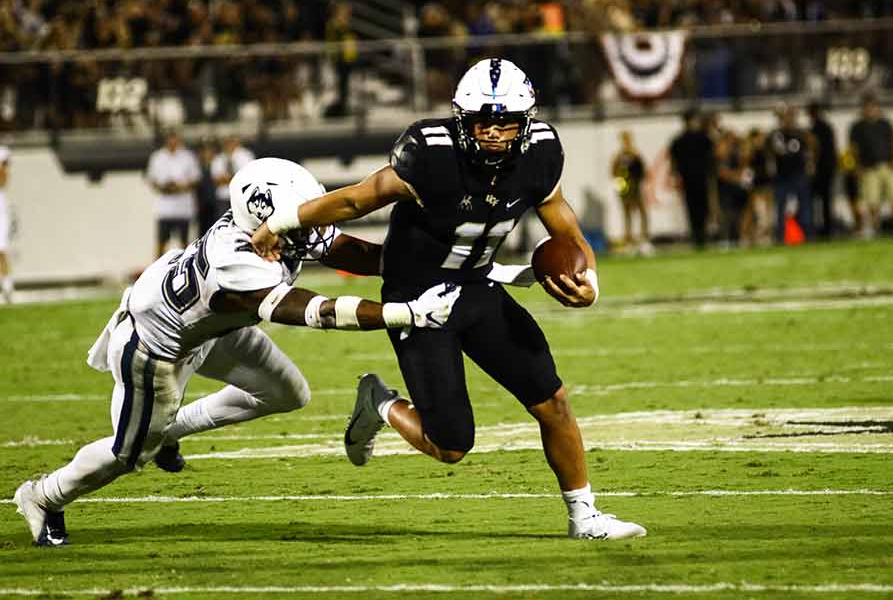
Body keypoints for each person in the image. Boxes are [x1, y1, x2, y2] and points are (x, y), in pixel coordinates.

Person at [252, 58, 646, 540]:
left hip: (479, 286)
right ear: (462, 118)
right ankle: (379, 402)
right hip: (417, 297)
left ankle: (584, 516)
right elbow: (359, 198)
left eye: (506, 121)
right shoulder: (430, 152)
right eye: (484, 120)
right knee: (452, 445)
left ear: (525, 122)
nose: (496, 133)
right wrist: (283, 222)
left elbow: (563, 224)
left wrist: (590, 279)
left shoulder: (541, 153)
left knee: (553, 400)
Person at [13, 158, 460, 546]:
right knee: (130, 455)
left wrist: (428, 262)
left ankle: (172, 431)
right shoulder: (236, 258)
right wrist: (404, 314)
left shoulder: (270, 228)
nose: (313, 224)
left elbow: (344, 249)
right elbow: (310, 310)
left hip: (211, 329)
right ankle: (43, 495)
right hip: (157, 349)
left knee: (287, 392)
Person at [848, 93, 893, 236]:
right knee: (873, 201)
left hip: (887, 166)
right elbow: (853, 149)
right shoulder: (857, 127)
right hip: (869, 169)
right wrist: (857, 167)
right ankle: (876, 228)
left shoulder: (885, 124)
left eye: (873, 107)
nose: (870, 110)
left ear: (877, 108)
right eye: (867, 107)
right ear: (863, 109)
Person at [146, 130, 200, 259]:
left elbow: (196, 179)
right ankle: (157, 272)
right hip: (164, 209)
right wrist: (165, 187)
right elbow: (152, 180)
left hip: (183, 208)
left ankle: (185, 270)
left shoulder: (188, 156)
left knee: (184, 243)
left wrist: (181, 186)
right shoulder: (157, 157)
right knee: (161, 242)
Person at [768, 104, 814, 243]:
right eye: (785, 117)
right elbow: (770, 153)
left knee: (805, 207)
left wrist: (810, 165)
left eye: (790, 116)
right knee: (780, 208)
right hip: (782, 176)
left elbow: (812, 148)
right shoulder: (776, 134)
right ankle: (780, 237)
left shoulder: (801, 134)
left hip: (799, 174)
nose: (788, 120)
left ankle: (807, 235)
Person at [669, 109, 714, 249]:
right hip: (699, 178)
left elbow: (674, 162)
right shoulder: (703, 137)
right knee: (702, 208)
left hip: (689, 179)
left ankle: (697, 236)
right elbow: (710, 158)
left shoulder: (678, 140)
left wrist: (676, 176)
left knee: (693, 209)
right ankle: (701, 236)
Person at [611, 130, 653, 255]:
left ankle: (644, 239)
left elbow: (643, 169)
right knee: (627, 212)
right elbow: (613, 171)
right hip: (625, 186)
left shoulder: (635, 154)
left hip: (636, 185)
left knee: (642, 211)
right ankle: (629, 240)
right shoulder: (619, 155)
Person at [807, 101, 839, 239]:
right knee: (824, 201)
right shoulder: (827, 127)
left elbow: (815, 149)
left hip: (821, 170)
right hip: (827, 168)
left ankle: (820, 229)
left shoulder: (816, 129)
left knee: (817, 201)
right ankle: (825, 229)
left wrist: (812, 166)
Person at [210, 134, 255, 219]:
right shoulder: (219, 158)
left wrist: (227, 179)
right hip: (223, 197)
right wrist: (235, 178)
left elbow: (249, 177)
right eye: (227, 142)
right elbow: (216, 180)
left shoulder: (246, 155)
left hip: (242, 196)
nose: (229, 143)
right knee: (224, 224)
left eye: (232, 141)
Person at [0, 146, 12, 303]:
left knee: (1, 250)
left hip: (1, 213)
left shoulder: (2, 153)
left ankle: (8, 287)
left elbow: (3, 180)